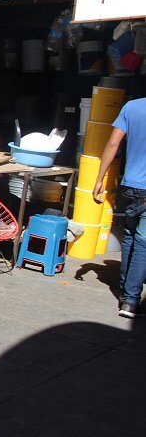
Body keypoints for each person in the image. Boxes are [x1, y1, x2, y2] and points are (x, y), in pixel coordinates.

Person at [93, 97, 146, 318]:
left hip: (129, 186)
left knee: (130, 235)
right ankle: (131, 301)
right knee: (143, 242)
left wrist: (99, 178)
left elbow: (113, 144)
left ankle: (125, 291)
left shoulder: (132, 107)